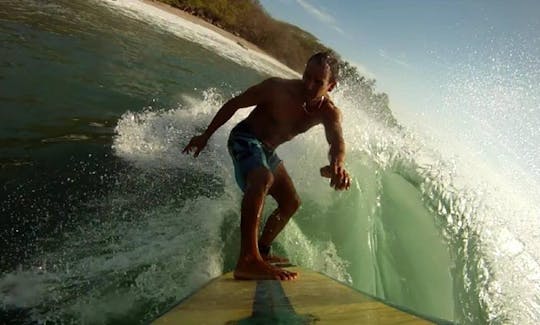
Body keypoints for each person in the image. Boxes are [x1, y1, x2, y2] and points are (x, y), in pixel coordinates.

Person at [183, 52, 351, 281]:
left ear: (331, 86)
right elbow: (234, 104)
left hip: (267, 150)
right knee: (263, 178)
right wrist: (206, 135)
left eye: (318, 82)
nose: (308, 85)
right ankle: (248, 260)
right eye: (306, 76)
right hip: (244, 138)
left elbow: (337, 142)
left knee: (291, 202)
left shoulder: (328, 112)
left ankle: (261, 251)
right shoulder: (277, 88)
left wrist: (337, 165)